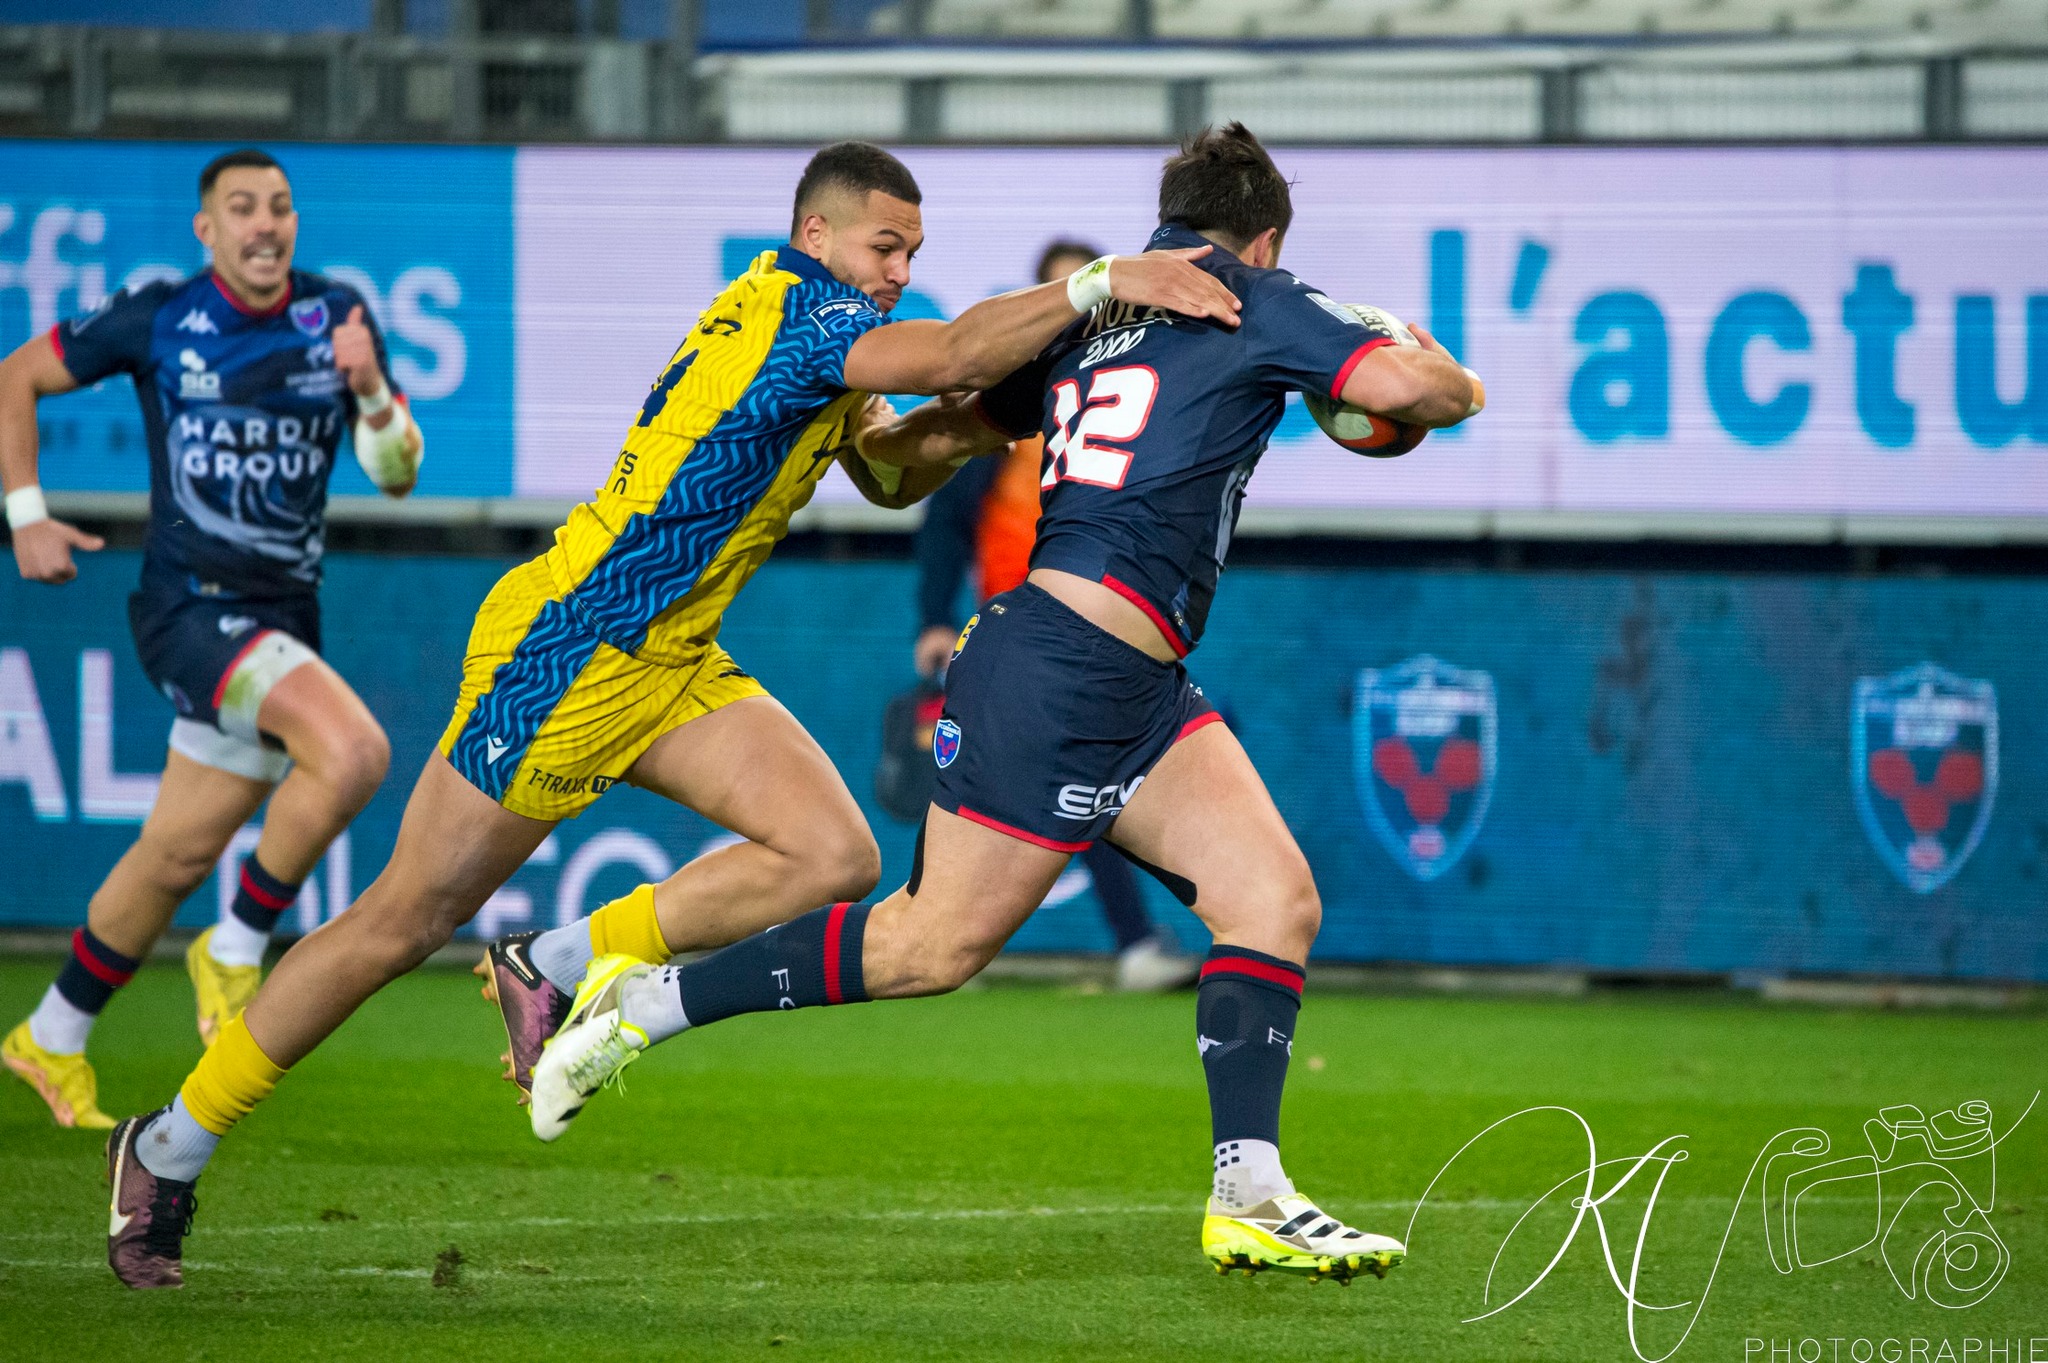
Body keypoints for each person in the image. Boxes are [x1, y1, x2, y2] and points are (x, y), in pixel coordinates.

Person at [101, 139, 1243, 1289]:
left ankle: (550, 960)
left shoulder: (807, 319)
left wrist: (1003, 414)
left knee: (831, 849)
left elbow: (888, 471)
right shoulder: (803, 313)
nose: (899, 268)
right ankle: (167, 1143)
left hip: (669, 651)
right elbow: (945, 347)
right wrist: (1100, 284)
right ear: (818, 237)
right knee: (397, 921)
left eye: (913, 251)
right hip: (572, 650)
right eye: (884, 245)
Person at [529, 123, 1484, 1285]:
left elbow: (923, 450)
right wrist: (1445, 371)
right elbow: (1401, 393)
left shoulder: (1096, 320)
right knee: (930, 945)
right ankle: (645, 1006)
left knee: (1271, 897)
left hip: (1128, 680)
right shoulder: (1262, 295)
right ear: (1264, 236)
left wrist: (872, 441)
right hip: (1058, 666)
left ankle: (1251, 1192)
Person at [1, 148, 420, 1131]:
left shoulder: (339, 315)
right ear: (208, 229)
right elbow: (17, 373)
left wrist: (367, 390)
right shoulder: (161, 317)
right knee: (354, 752)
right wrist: (25, 512)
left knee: (174, 853)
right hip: (191, 610)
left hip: (282, 615)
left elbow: (395, 471)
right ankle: (233, 948)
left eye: (279, 207)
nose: (265, 224)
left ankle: (49, 1034)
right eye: (242, 208)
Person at [911, 238, 1198, 992]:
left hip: (1096, 633)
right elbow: (945, 520)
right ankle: (931, 929)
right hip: (1011, 630)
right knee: (991, 781)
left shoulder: (1137, 397)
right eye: (1054, 295)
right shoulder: (1012, 402)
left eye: (1081, 295)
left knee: (1084, 782)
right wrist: (935, 619)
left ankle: (1125, 943)